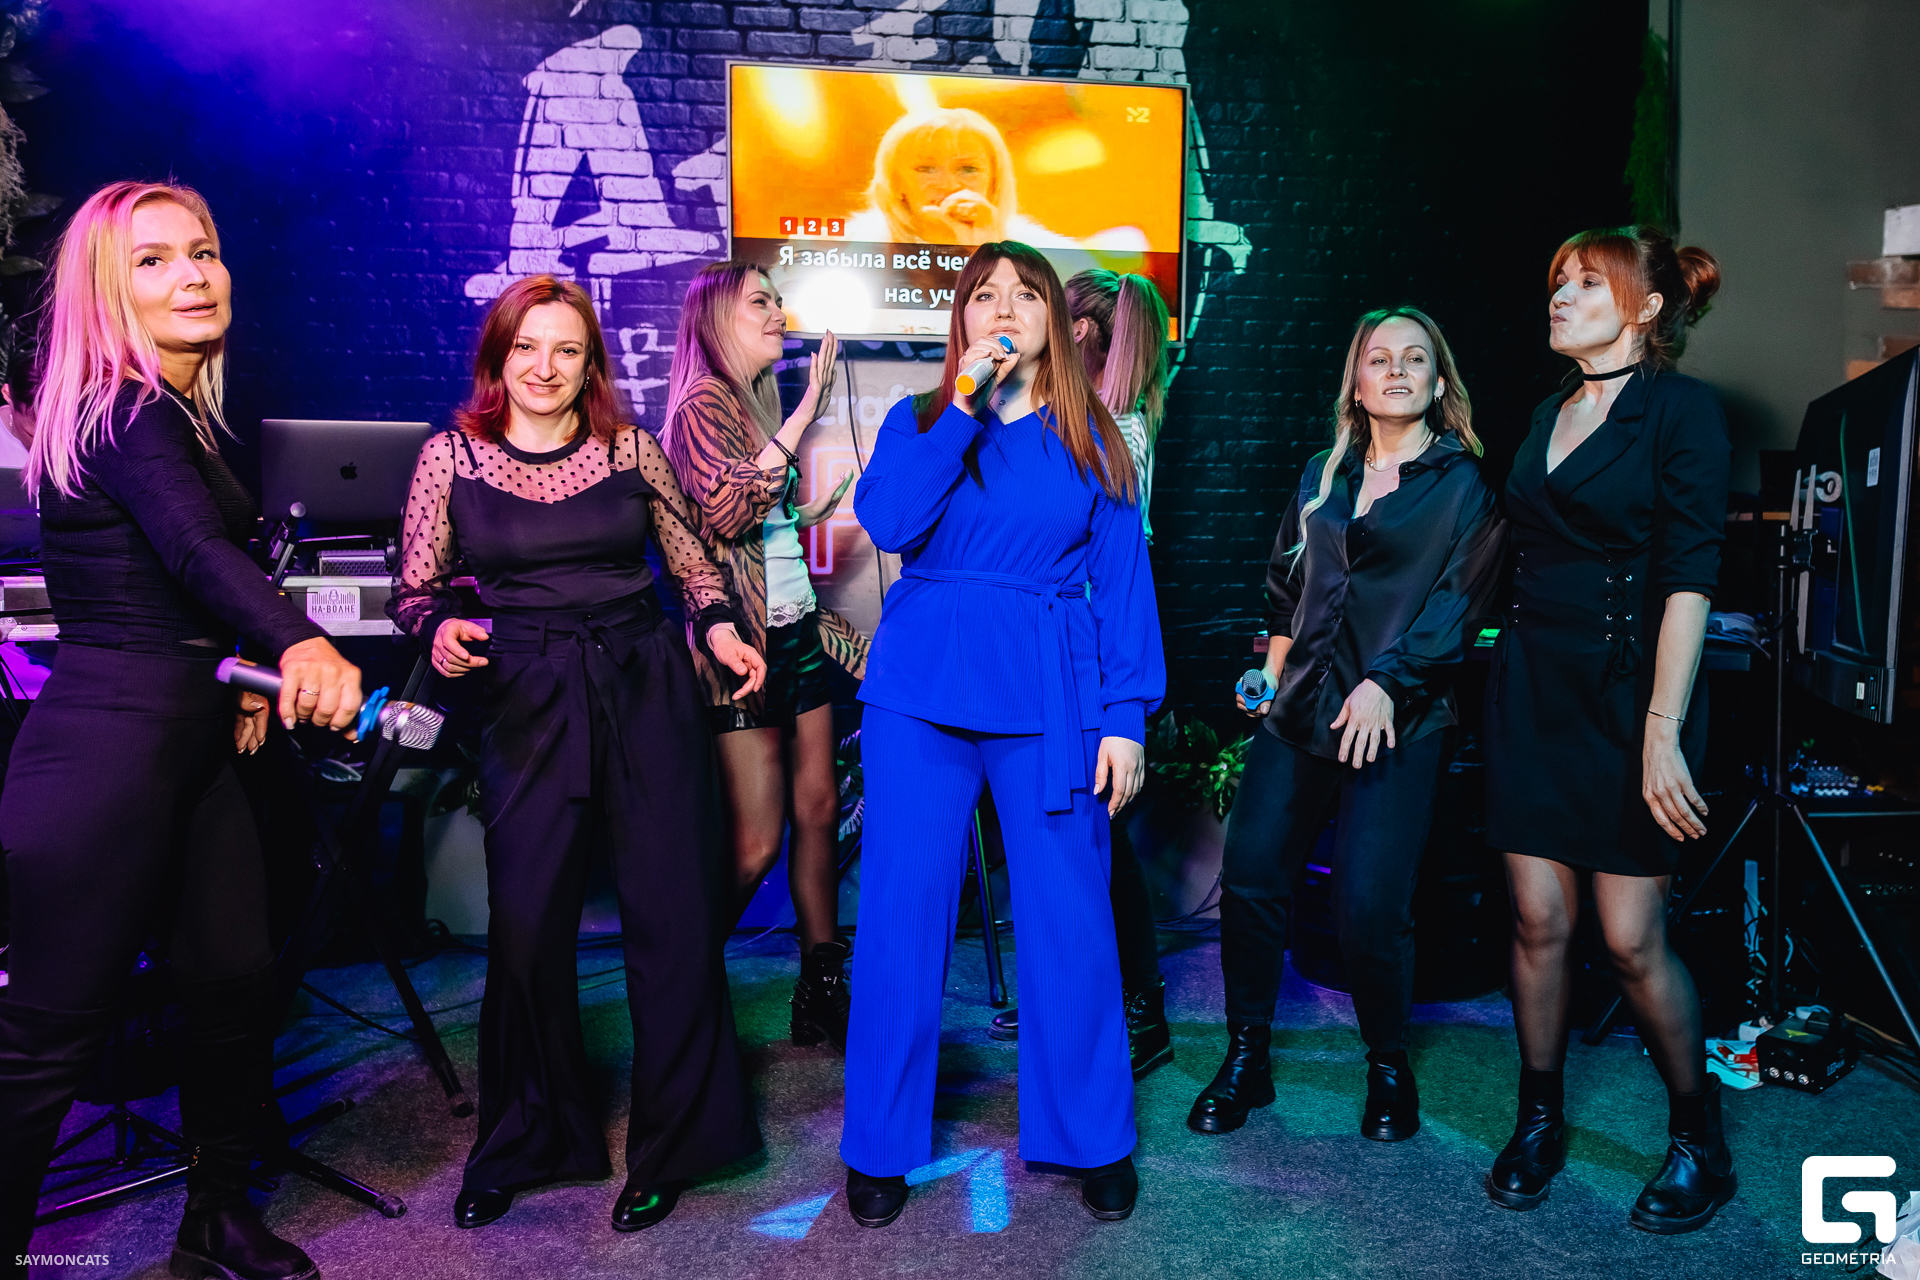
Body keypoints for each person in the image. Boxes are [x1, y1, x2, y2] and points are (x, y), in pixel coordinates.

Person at [0, 180, 363, 1280]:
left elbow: (187, 577)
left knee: (230, 986)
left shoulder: (172, 410)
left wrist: (243, 671)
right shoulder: (124, 407)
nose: (193, 275)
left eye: (202, 250)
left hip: (196, 751)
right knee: (47, 1040)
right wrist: (300, 646)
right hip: (105, 757)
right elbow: (196, 553)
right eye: (153, 260)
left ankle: (214, 1216)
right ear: (107, 288)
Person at [390, 274, 768, 1233]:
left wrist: (721, 629)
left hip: (644, 684)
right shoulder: (450, 457)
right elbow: (416, 589)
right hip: (528, 695)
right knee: (527, 925)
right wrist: (437, 628)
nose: (545, 367)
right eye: (527, 347)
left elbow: (692, 565)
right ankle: (528, 1139)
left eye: (566, 349)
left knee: (673, 918)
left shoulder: (629, 448)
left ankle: (676, 1147)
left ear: (590, 361)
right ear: (499, 356)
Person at [841, 240, 1164, 1228]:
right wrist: (963, 406)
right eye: (985, 295)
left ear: (1054, 323)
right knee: (900, 917)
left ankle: (1092, 1135)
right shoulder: (921, 419)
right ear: (964, 320)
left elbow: (1123, 585)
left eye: (1025, 293)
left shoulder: (1093, 435)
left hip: (1048, 693)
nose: (1005, 307)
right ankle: (880, 1143)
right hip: (920, 694)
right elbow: (890, 522)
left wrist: (1125, 717)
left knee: (1071, 919)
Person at [1187, 307, 1504, 1143]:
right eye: (1379, 358)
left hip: (1399, 722)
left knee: (1369, 906)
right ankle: (1247, 1057)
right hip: (1298, 711)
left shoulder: (1464, 486)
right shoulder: (1320, 474)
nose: (1395, 370)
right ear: (1356, 384)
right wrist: (1268, 673)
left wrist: (1386, 684)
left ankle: (1388, 1064)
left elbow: (1457, 608)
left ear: (1438, 381)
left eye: (1414, 359)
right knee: (1252, 877)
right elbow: (1287, 593)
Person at [1482, 227, 1734, 1233]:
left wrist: (1661, 731)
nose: (1561, 296)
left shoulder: (1683, 409)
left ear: (1644, 307)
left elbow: (1690, 580)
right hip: (1531, 692)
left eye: (1587, 283)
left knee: (1631, 938)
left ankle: (1699, 1139)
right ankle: (1538, 1118)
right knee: (1538, 922)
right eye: (1558, 282)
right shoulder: (1547, 412)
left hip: (1632, 698)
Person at [660, 261, 870, 1048]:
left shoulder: (752, 401)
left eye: (779, 300)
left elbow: (759, 524)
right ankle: (677, 983)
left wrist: (806, 508)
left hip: (797, 633)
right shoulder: (699, 403)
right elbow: (724, 509)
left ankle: (821, 990)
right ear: (718, 317)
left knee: (819, 812)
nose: (779, 312)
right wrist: (809, 408)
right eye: (761, 302)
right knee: (754, 843)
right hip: (739, 646)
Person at [987, 269, 1176, 1078]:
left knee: (1099, 841)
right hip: (1069, 654)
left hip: (1089, 660)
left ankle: (1138, 1011)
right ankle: (1079, 996)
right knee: (1078, 839)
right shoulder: (1101, 419)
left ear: (1083, 333)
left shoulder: (1105, 429)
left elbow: (1102, 572)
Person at [845, 108, 1144, 252]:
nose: (949, 184)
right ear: (895, 183)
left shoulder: (1035, 250)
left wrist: (987, 248)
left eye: (968, 169)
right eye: (926, 169)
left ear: (994, 181)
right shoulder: (856, 247)